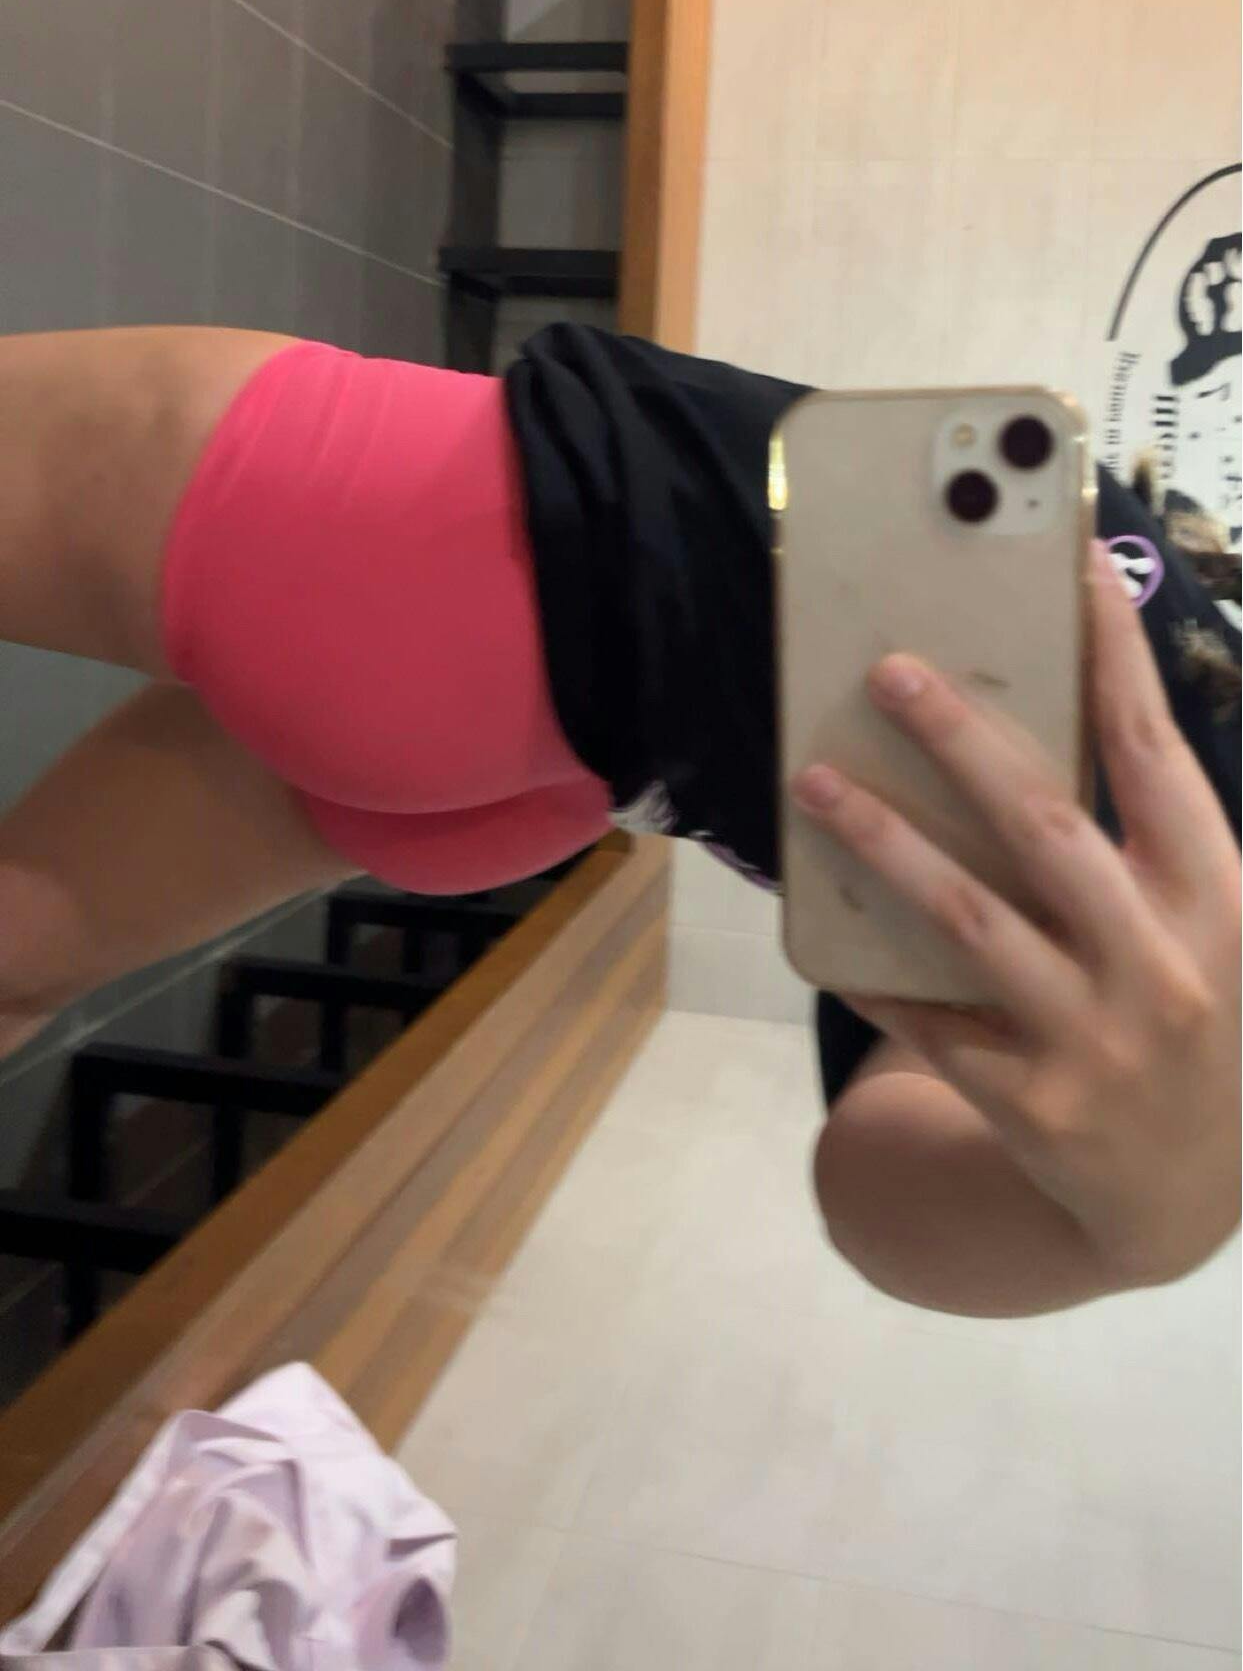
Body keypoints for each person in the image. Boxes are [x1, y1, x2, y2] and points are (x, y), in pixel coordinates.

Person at [0, 322, 1237, 1318]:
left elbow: (881, 1166)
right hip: (549, 767)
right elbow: (880, 1163)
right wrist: (1131, 1235)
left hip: (448, 540)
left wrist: (1143, 1227)